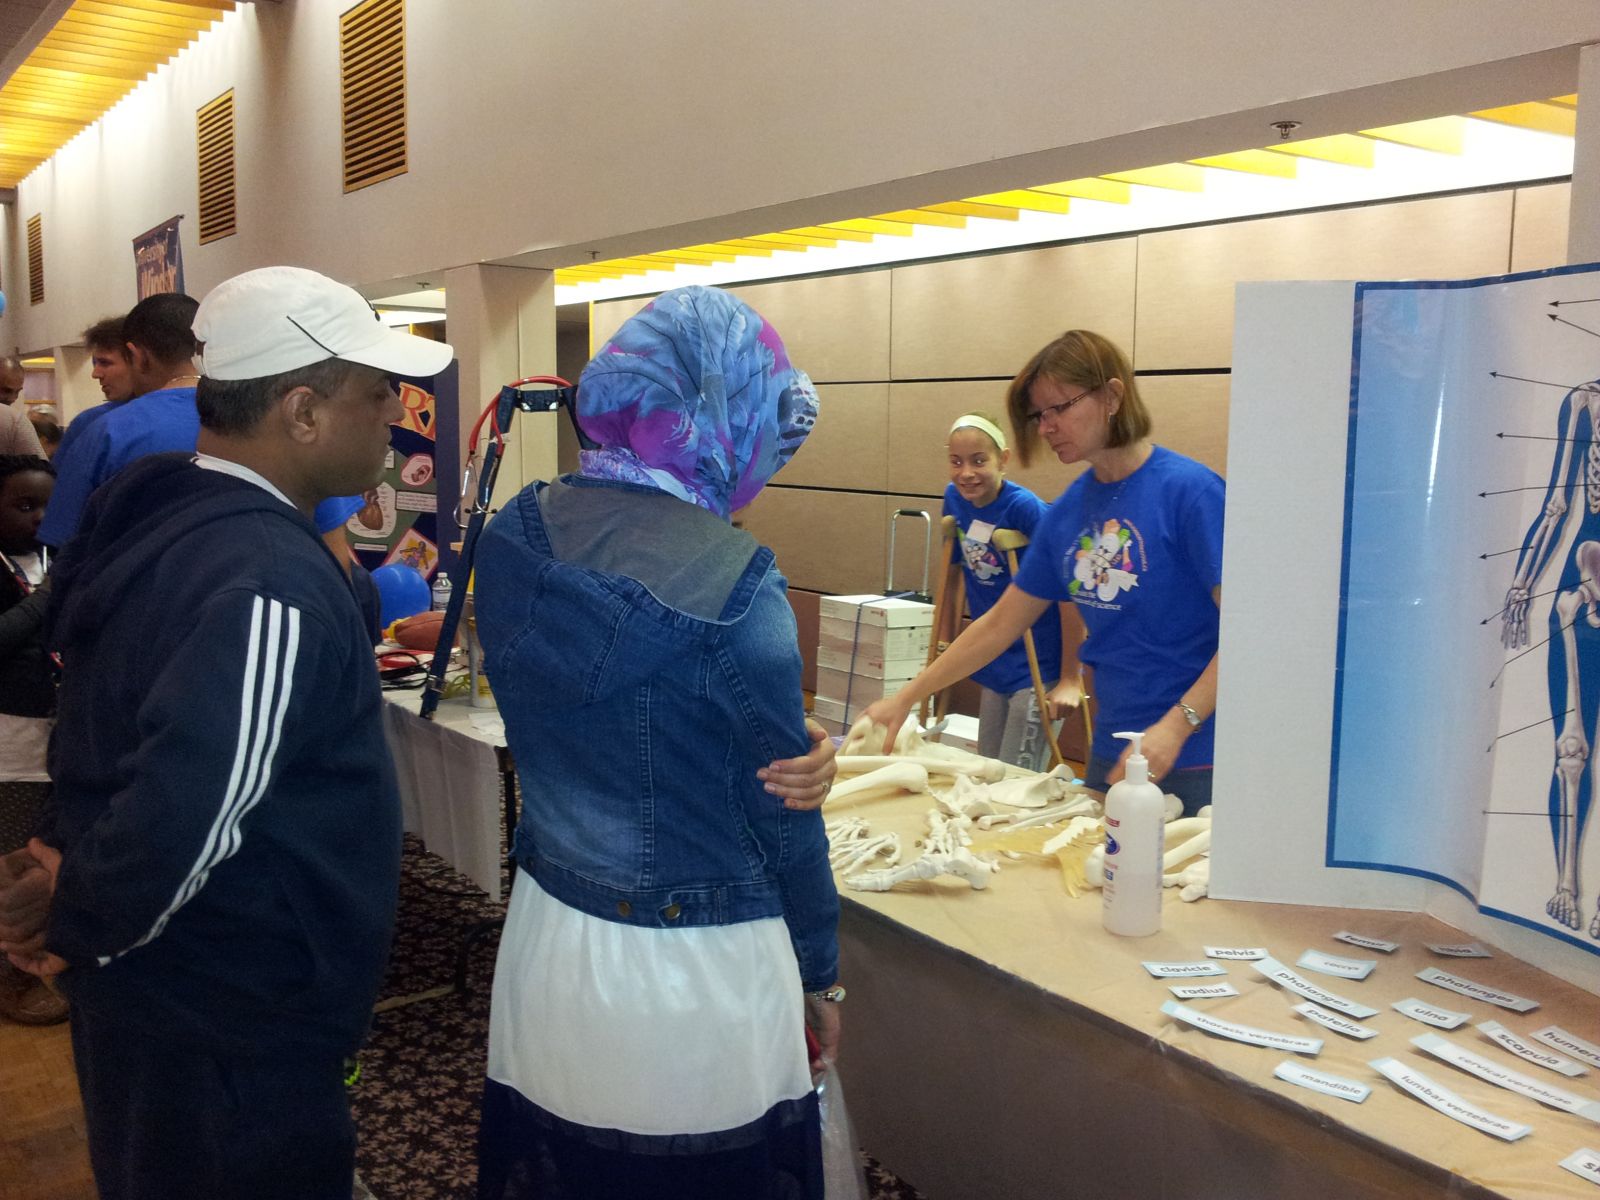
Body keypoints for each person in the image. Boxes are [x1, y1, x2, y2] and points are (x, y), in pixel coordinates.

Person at [0, 265, 456, 1199]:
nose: (395, 419)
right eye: (378, 396)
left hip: (165, 1000)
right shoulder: (270, 581)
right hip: (227, 1011)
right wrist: (77, 920)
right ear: (301, 411)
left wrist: (60, 860)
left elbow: (100, 719)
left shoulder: (163, 511)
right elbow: (191, 806)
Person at [474, 285, 841, 1200]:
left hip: (551, 938)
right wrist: (822, 975)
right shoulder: (741, 586)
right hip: (698, 970)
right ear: (726, 418)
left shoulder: (513, 535)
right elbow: (780, 812)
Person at [866, 329, 1223, 814]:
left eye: (1061, 407)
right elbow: (998, 624)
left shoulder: (1192, 493)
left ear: (1113, 396)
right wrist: (905, 698)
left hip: (1199, 750)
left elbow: (1249, 632)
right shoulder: (1069, 512)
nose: (1047, 426)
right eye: (1039, 415)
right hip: (1117, 746)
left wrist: (1178, 725)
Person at [940, 411, 1071, 769]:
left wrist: (1072, 677)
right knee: (988, 770)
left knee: (1016, 777)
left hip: (1036, 662)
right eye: (956, 461)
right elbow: (953, 577)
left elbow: (1069, 588)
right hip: (992, 656)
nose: (966, 473)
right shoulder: (954, 499)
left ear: (1004, 460)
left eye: (979, 461)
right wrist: (946, 642)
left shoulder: (1024, 508)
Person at [39, 294, 201, 547]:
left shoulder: (107, 431)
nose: (95, 373)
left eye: (105, 362)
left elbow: (65, 538)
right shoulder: (249, 418)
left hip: (132, 579)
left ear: (137, 356)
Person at [0, 454, 66, 1026]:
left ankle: (39, 961)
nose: (40, 518)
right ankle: (11, 981)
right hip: (10, 740)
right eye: (23, 506)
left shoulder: (55, 557)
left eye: (48, 505)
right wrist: (44, 604)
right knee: (10, 859)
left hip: (59, 731)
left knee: (47, 852)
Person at [0, 358, 44, 459]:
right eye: (6, 390)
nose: (12, 398)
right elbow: (40, 470)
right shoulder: (14, 421)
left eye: (17, 392)